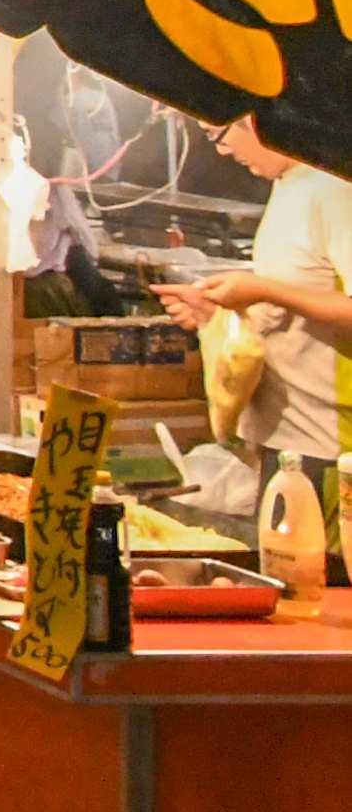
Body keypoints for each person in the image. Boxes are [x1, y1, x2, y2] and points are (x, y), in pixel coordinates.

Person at [159, 111, 352, 515]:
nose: (223, 150)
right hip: (285, 442)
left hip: (332, 452)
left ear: (253, 118)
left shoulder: (334, 190)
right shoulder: (288, 186)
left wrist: (262, 289)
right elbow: (295, 304)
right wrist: (215, 317)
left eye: (218, 134)